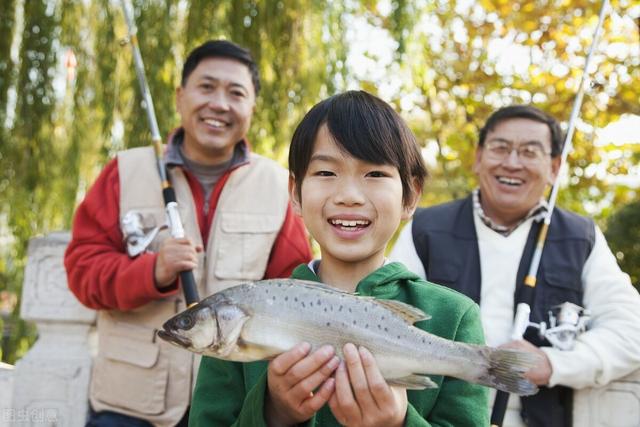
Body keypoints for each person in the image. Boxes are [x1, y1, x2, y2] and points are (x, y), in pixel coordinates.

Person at [189, 90, 489, 426]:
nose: (348, 196)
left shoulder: (455, 318)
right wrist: (275, 413)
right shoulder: (237, 315)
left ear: (410, 195)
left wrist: (398, 423)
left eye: (374, 174)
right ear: (295, 193)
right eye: (326, 173)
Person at [64, 40, 312, 426]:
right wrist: (152, 273)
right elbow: (82, 273)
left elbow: (296, 292)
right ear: (181, 96)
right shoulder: (125, 172)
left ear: (251, 107)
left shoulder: (280, 187)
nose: (219, 103)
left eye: (236, 93)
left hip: (231, 407)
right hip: (128, 407)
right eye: (207, 87)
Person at [390, 105, 640, 426]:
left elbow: (631, 329)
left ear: (554, 167)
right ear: (478, 158)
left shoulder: (581, 237)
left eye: (529, 151)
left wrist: (553, 363)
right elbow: (390, 318)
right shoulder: (425, 228)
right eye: (500, 148)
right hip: (442, 417)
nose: (512, 162)